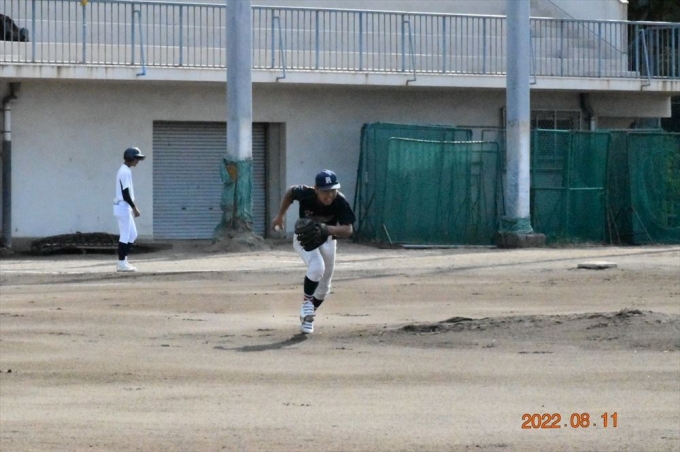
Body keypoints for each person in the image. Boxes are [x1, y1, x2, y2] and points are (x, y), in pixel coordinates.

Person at [272, 169, 356, 334]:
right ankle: (307, 305)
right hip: (304, 237)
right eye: (325, 191)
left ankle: (307, 315)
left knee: (324, 287)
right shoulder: (305, 193)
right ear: (316, 189)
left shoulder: (340, 201)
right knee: (317, 267)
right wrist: (280, 216)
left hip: (328, 239)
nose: (329, 195)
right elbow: (290, 193)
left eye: (333, 190)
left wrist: (327, 229)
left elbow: (348, 230)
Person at [113, 147, 145, 272]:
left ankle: (124, 261)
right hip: (123, 206)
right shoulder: (125, 172)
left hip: (123, 206)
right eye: (136, 158)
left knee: (133, 234)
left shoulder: (125, 170)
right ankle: (121, 263)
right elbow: (125, 193)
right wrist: (134, 207)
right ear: (131, 158)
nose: (138, 161)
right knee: (125, 235)